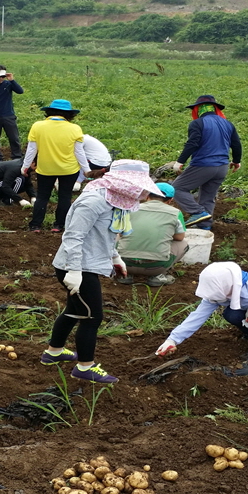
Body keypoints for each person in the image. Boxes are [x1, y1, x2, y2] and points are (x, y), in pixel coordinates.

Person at [42, 159, 162, 384]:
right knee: (92, 317)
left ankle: (54, 352)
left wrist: (115, 257)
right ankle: (84, 367)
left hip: (90, 263)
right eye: (140, 187)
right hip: (78, 267)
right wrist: (75, 270)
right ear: (125, 184)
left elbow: (104, 235)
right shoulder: (93, 201)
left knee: (75, 310)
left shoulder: (113, 201)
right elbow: (73, 236)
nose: (143, 192)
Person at [156, 261, 248, 359]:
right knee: (231, 313)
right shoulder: (219, 292)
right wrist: (172, 339)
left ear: (229, 286)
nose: (218, 299)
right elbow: (197, 317)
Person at [164, 95, 242, 230]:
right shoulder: (228, 124)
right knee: (207, 197)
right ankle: (204, 227)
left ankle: (198, 212)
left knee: (177, 188)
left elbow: (192, 143)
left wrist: (180, 161)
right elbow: (236, 145)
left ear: (198, 109)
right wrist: (236, 161)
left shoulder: (198, 123)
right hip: (222, 167)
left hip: (204, 165)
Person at [20, 99, 91, 233]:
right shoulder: (74, 128)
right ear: (69, 114)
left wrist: (25, 166)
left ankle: (35, 225)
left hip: (46, 169)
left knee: (42, 197)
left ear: (49, 112)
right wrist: (87, 170)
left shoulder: (38, 126)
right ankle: (59, 225)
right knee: (64, 197)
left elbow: (31, 150)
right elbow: (79, 152)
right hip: (69, 169)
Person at [116, 182, 188, 287]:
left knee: (118, 237)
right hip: (155, 267)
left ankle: (124, 275)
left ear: (147, 196)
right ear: (170, 200)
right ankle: (158, 276)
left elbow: (121, 234)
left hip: (125, 263)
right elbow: (180, 237)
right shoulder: (175, 213)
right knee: (183, 244)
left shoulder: (130, 208)